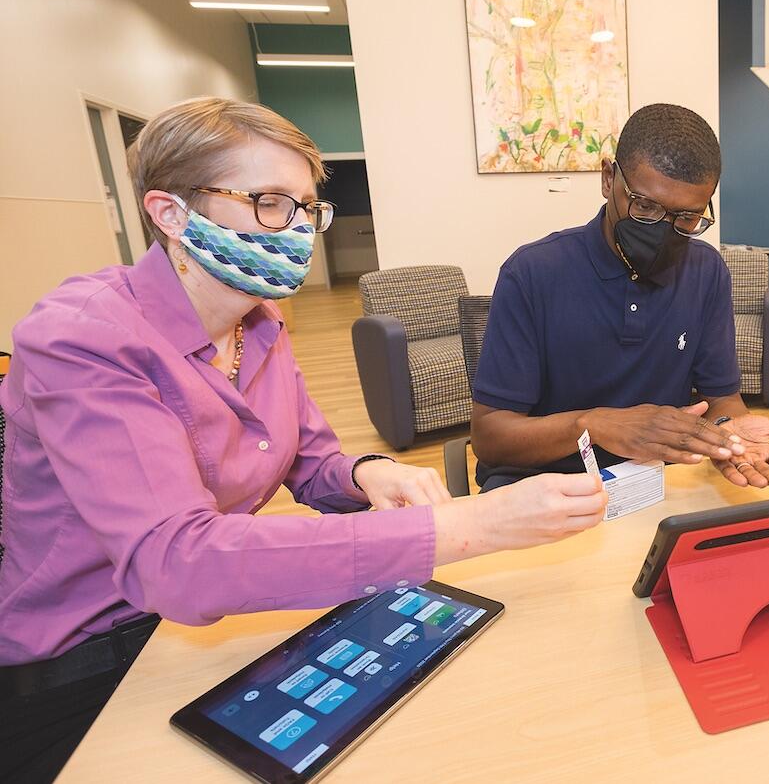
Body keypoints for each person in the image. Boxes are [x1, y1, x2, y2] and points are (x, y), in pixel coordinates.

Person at [0, 98, 606, 783]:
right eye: (269, 203)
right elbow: (178, 561)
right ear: (170, 213)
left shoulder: (257, 319)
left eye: (307, 209)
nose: (296, 230)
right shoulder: (84, 338)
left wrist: (367, 471)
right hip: (87, 673)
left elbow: (309, 459)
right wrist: (469, 526)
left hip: (198, 630)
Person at [469, 103, 769, 492]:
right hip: (541, 484)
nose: (662, 230)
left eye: (686, 218)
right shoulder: (532, 273)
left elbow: (721, 400)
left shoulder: (705, 270)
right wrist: (594, 425)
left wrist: (730, 430)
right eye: (645, 206)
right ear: (609, 179)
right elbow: (490, 436)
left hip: (657, 481)